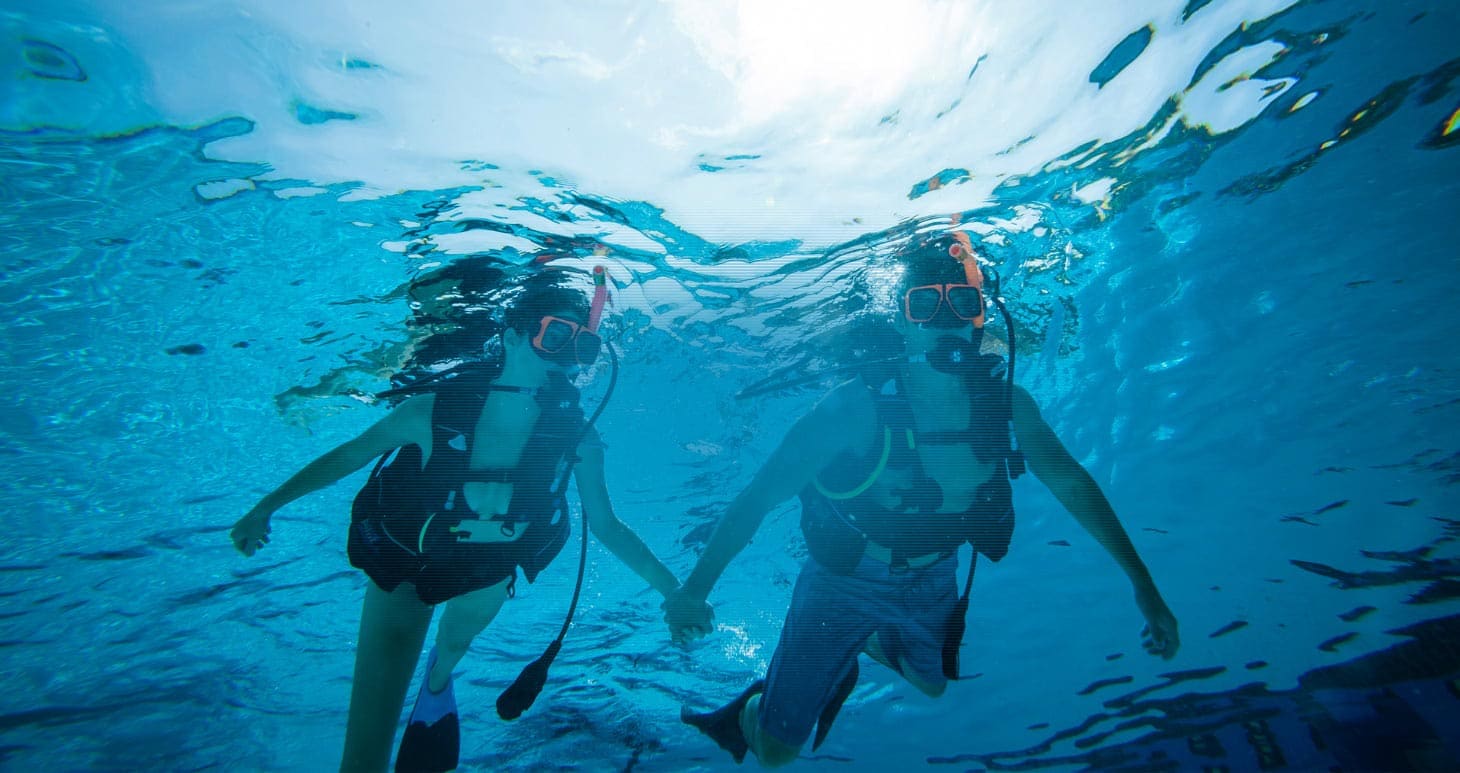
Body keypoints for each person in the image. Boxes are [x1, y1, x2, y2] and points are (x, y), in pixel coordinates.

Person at [664, 232, 1180, 767]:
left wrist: (1144, 585)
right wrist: (693, 591)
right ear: (903, 322)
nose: (945, 320)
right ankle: (756, 705)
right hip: (844, 580)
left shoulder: (1007, 405)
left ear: (980, 317)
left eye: (962, 304)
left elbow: (1072, 483)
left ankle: (863, 644)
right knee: (775, 753)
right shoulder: (852, 410)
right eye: (924, 305)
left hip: (935, 574)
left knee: (932, 686)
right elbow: (756, 500)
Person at [231, 270, 710, 773]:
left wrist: (673, 590)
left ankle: (438, 681)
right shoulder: (431, 410)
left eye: (577, 343)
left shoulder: (577, 436)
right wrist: (264, 507)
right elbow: (348, 456)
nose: (564, 354)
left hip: (488, 571)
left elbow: (607, 526)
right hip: (407, 564)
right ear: (510, 336)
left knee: (454, 642)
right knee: (363, 750)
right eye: (554, 335)